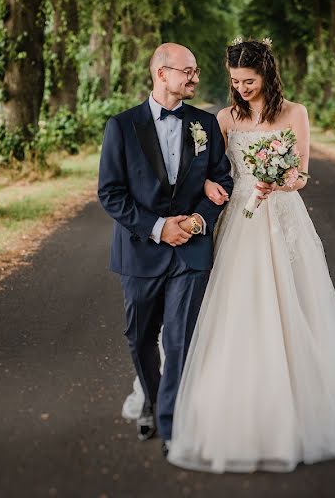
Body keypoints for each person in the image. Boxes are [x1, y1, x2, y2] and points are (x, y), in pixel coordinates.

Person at [162, 38, 335, 473]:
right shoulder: (225, 117)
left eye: (249, 80)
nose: (242, 88)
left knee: (294, 297)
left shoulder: (295, 113)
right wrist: (210, 187)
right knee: (236, 298)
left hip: (281, 213)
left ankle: (302, 390)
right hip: (239, 216)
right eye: (235, 81)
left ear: (268, 75)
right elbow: (214, 169)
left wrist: (279, 181)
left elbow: (301, 173)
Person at [97, 42, 243, 456]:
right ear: (162, 74)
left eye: (196, 71)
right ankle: (152, 395)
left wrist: (196, 222)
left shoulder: (205, 124)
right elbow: (110, 194)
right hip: (140, 251)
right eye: (189, 71)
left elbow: (222, 180)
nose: (196, 78)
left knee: (180, 340)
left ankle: (171, 424)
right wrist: (160, 228)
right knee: (140, 337)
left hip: (191, 253)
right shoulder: (121, 127)